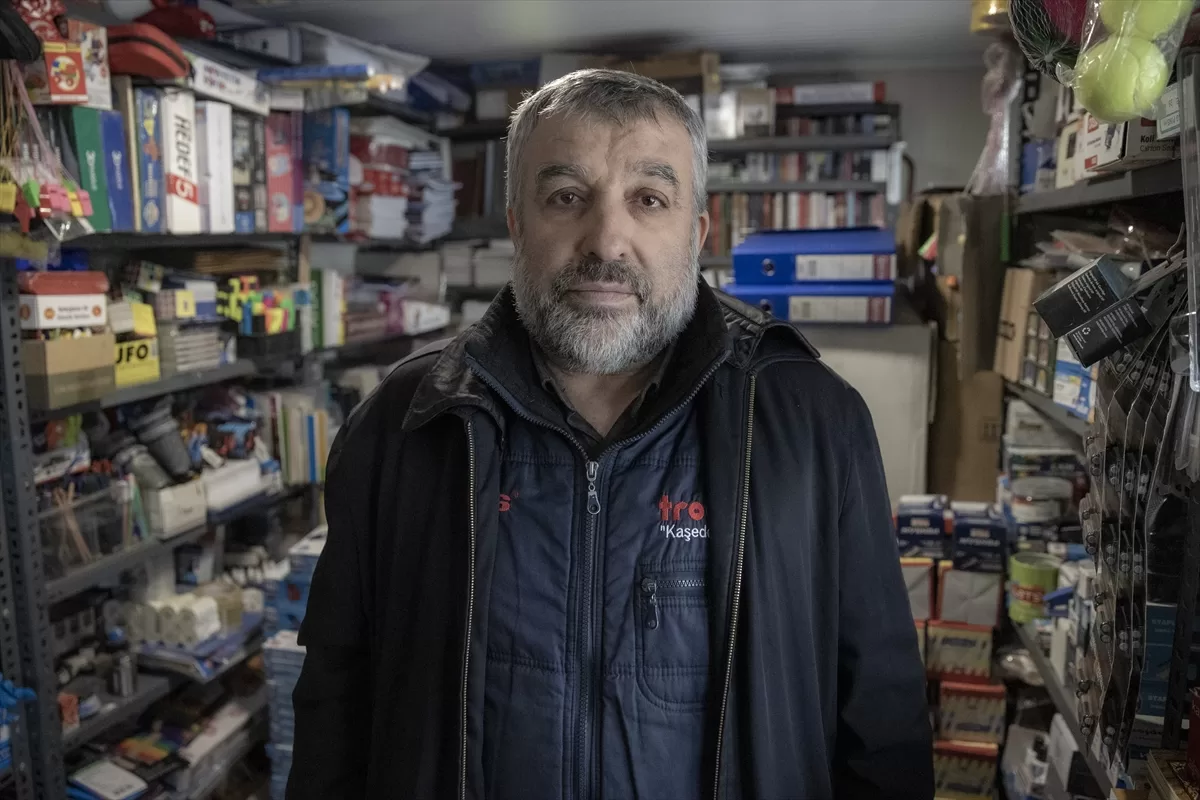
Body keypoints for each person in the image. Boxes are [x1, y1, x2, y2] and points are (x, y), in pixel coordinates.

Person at [287, 68, 933, 800]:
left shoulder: (812, 422)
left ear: (696, 233)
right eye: (567, 197)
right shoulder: (404, 424)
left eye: (648, 199)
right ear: (517, 223)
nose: (606, 240)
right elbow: (336, 708)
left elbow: (881, 718)